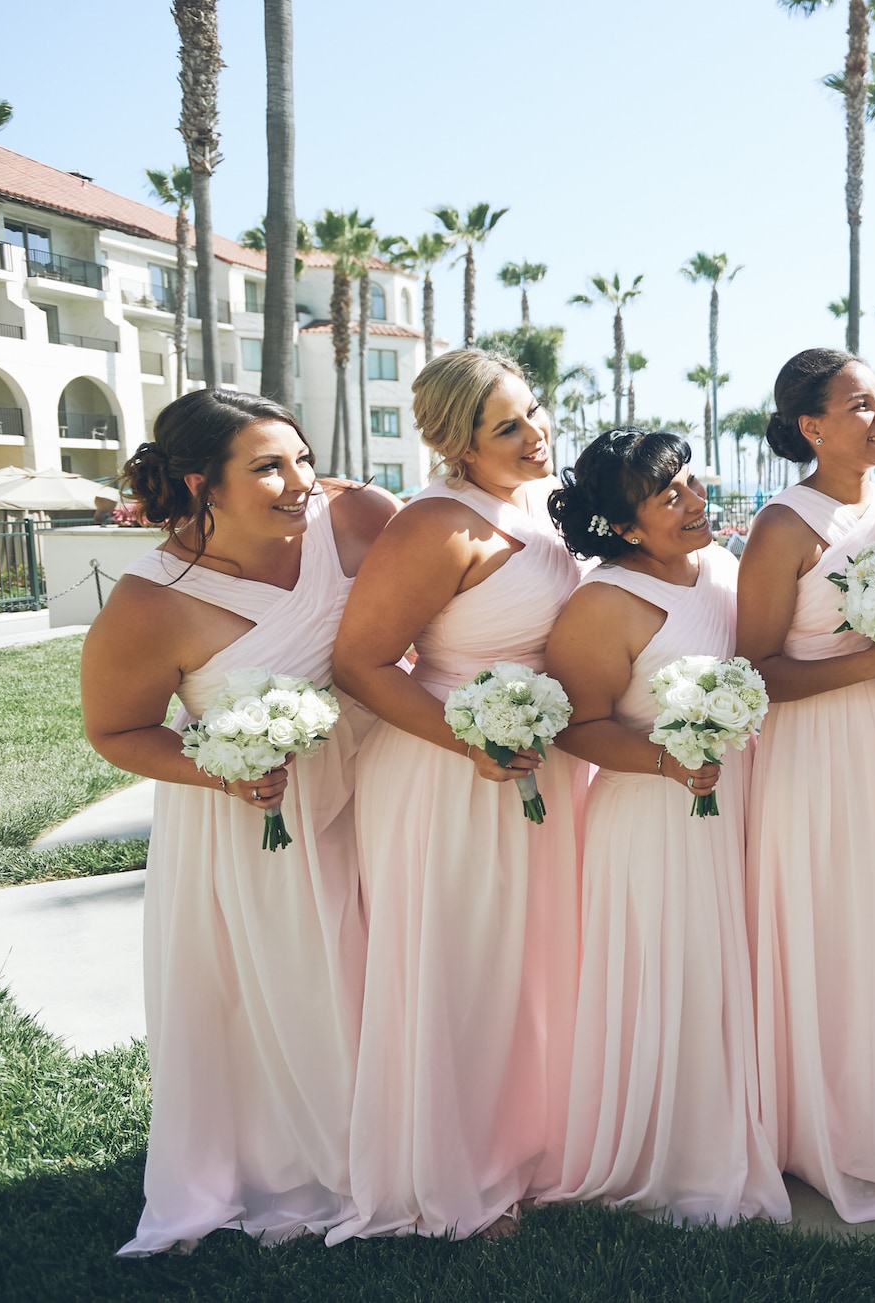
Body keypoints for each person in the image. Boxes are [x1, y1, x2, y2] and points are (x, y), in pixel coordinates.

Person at [84, 390, 396, 1255]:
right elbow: (116, 730)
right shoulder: (151, 600)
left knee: (399, 965)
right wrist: (221, 772)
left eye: (300, 456)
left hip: (388, 784)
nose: (301, 482)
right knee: (302, 983)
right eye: (268, 466)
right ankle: (324, 1156)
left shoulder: (357, 519)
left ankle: (425, 1134)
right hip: (258, 817)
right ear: (200, 483)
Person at [329, 348, 589, 1241]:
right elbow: (358, 662)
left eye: (534, 412)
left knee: (530, 964)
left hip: (539, 762)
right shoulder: (436, 524)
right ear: (454, 441)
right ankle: (453, 1173)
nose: (534, 433)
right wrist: (470, 742)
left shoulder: (542, 513)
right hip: (448, 770)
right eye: (506, 426)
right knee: (463, 964)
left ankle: (527, 1142)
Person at [540, 429, 788, 1226]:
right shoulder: (601, 603)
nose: (691, 500)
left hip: (734, 802)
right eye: (666, 495)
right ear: (624, 526)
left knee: (734, 965)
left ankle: (752, 1124)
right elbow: (578, 726)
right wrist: (669, 761)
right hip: (652, 816)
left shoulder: (722, 569)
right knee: (673, 968)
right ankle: (672, 1149)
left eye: (688, 482)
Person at [736, 348, 875, 1223]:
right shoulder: (784, 525)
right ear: (812, 425)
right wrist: (871, 664)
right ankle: (815, 1127)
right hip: (811, 756)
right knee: (825, 926)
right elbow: (754, 671)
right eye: (862, 405)